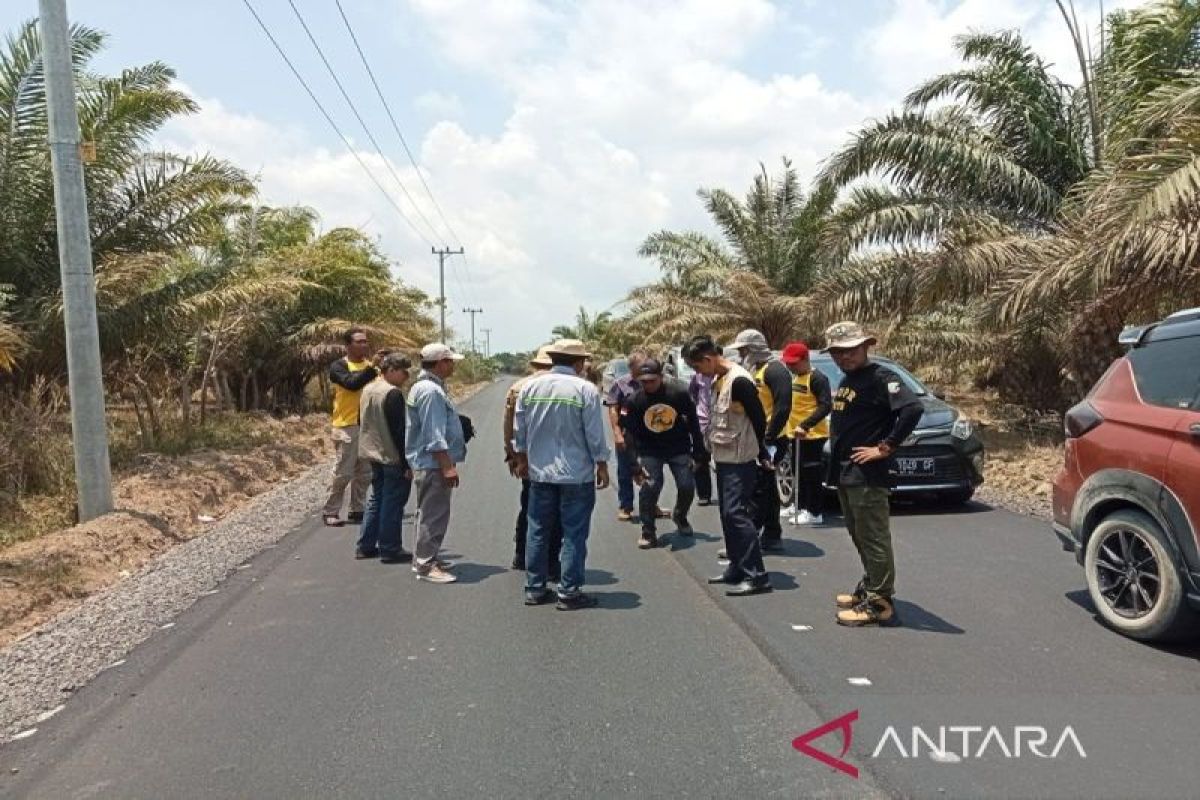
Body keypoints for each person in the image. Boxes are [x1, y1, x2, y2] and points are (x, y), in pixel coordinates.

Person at [823, 322, 922, 627]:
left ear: (866, 346)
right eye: (838, 352)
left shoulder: (882, 377)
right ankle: (870, 586)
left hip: (869, 474)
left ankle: (880, 602)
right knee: (859, 534)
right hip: (848, 471)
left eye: (850, 350)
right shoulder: (850, 379)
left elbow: (912, 409)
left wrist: (886, 447)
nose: (844, 357)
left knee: (873, 536)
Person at [514, 339, 611, 610]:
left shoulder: (529, 387)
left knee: (538, 531)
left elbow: (519, 430)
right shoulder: (585, 389)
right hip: (576, 475)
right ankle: (569, 592)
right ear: (579, 363)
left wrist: (521, 459)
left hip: (540, 474)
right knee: (574, 533)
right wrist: (601, 464)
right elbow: (594, 434)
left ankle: (535, 588)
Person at [683, 335, 772, 597]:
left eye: (698, 367)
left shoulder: (739, 381)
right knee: (726, 515)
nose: (698, 373)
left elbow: (758, 418)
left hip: (740, 459)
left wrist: (763, 452)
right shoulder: (718, 380)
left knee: (736, 514)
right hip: (723, 456)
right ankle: (737, 566)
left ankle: (757, 575)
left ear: (709, 359)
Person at [623, 359, 706, 549]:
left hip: (678, 448)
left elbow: (693, 424)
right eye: (644, 381)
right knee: (650, 487)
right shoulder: (634, 401)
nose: (649, 385)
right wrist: (634, 464)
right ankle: (648, 530)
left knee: (686, 485)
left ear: (660, 377)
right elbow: (629, 435)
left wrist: (699, 452)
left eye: (652, 380)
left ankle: (680, 516)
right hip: (650, 450)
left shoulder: (679, 394)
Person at [405, 343, 468, 585]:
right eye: (451, 361)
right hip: (432, 463)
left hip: (427, 461)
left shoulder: (427, 387)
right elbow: (433, 434)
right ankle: (426, 564)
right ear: (441, 362)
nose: (453, 365)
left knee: (429, 511)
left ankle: (424, 557)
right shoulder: (430, 391)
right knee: (434, 513)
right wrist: (447, 465)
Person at [729, 329, 792, 553]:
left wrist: (768, 438)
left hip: (771, 439)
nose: (741, 354)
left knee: (758, 490)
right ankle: (772, 534)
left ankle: (749, 539)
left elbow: (783, 406)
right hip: (757, 437)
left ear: (754, 349)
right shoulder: (757, 369)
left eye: (744, 350)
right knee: (767, 488)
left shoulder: (776, 371)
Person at [503, 347, 562, 577]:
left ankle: (521, 555)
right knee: (555, 512)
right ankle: (550, 563)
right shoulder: (564, 386)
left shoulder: (518, 387)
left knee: (529, 507)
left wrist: (512, 455)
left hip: (527, 458)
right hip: (556, 460)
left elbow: (509, 425)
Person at [355, 353, 414, 563]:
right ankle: (390, 548)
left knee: (376, 498)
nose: (406, 376)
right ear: (390, 370)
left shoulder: (368, 389)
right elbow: (399, 432)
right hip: (390, 455)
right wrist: (407, 463)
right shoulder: (392, 394)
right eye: (403, 371)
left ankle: (365, 545)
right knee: (393, 501)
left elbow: (360, 420)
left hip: (371, 452)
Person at [322, 328, 378, 527]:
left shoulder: (371, 367)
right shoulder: (339, 366)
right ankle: (331, 510)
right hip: (347, 426)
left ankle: (358, 509)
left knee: (364, 473)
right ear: (348, 345)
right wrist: (372, 370)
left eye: (365, 341)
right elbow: (352, 384)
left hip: (367, 426)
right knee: (343, 472)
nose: (364, 345)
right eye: (359, 342)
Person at [780, 342, 832, 526]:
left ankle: (814, 512)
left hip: (813, 436)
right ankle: (799, 505)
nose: (790, 366)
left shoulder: (817, 378)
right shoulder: (795, 378)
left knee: (811, 475)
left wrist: (806, 425)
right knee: (798, 472)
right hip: (795, 435)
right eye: (788, 363)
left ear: (805, 360)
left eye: (793, 363)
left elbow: (826, 405)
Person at [605, 349, 648, 522]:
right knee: (625, 471)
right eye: (641, 368)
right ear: (631, 368)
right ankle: (626, 506)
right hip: (627, 433)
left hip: (648, 436)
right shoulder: (620, 384)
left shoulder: (651, 382)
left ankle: (651, 505)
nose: (645, 371)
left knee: (650, 471)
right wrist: (617, 434)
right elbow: (613, 409)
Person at [688, 371, 716, 506]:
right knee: (700, 459)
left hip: (720, 423)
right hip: (702, 423)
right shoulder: (697, 377)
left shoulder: (723, 375)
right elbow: (691, 395)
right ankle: (704, 494)